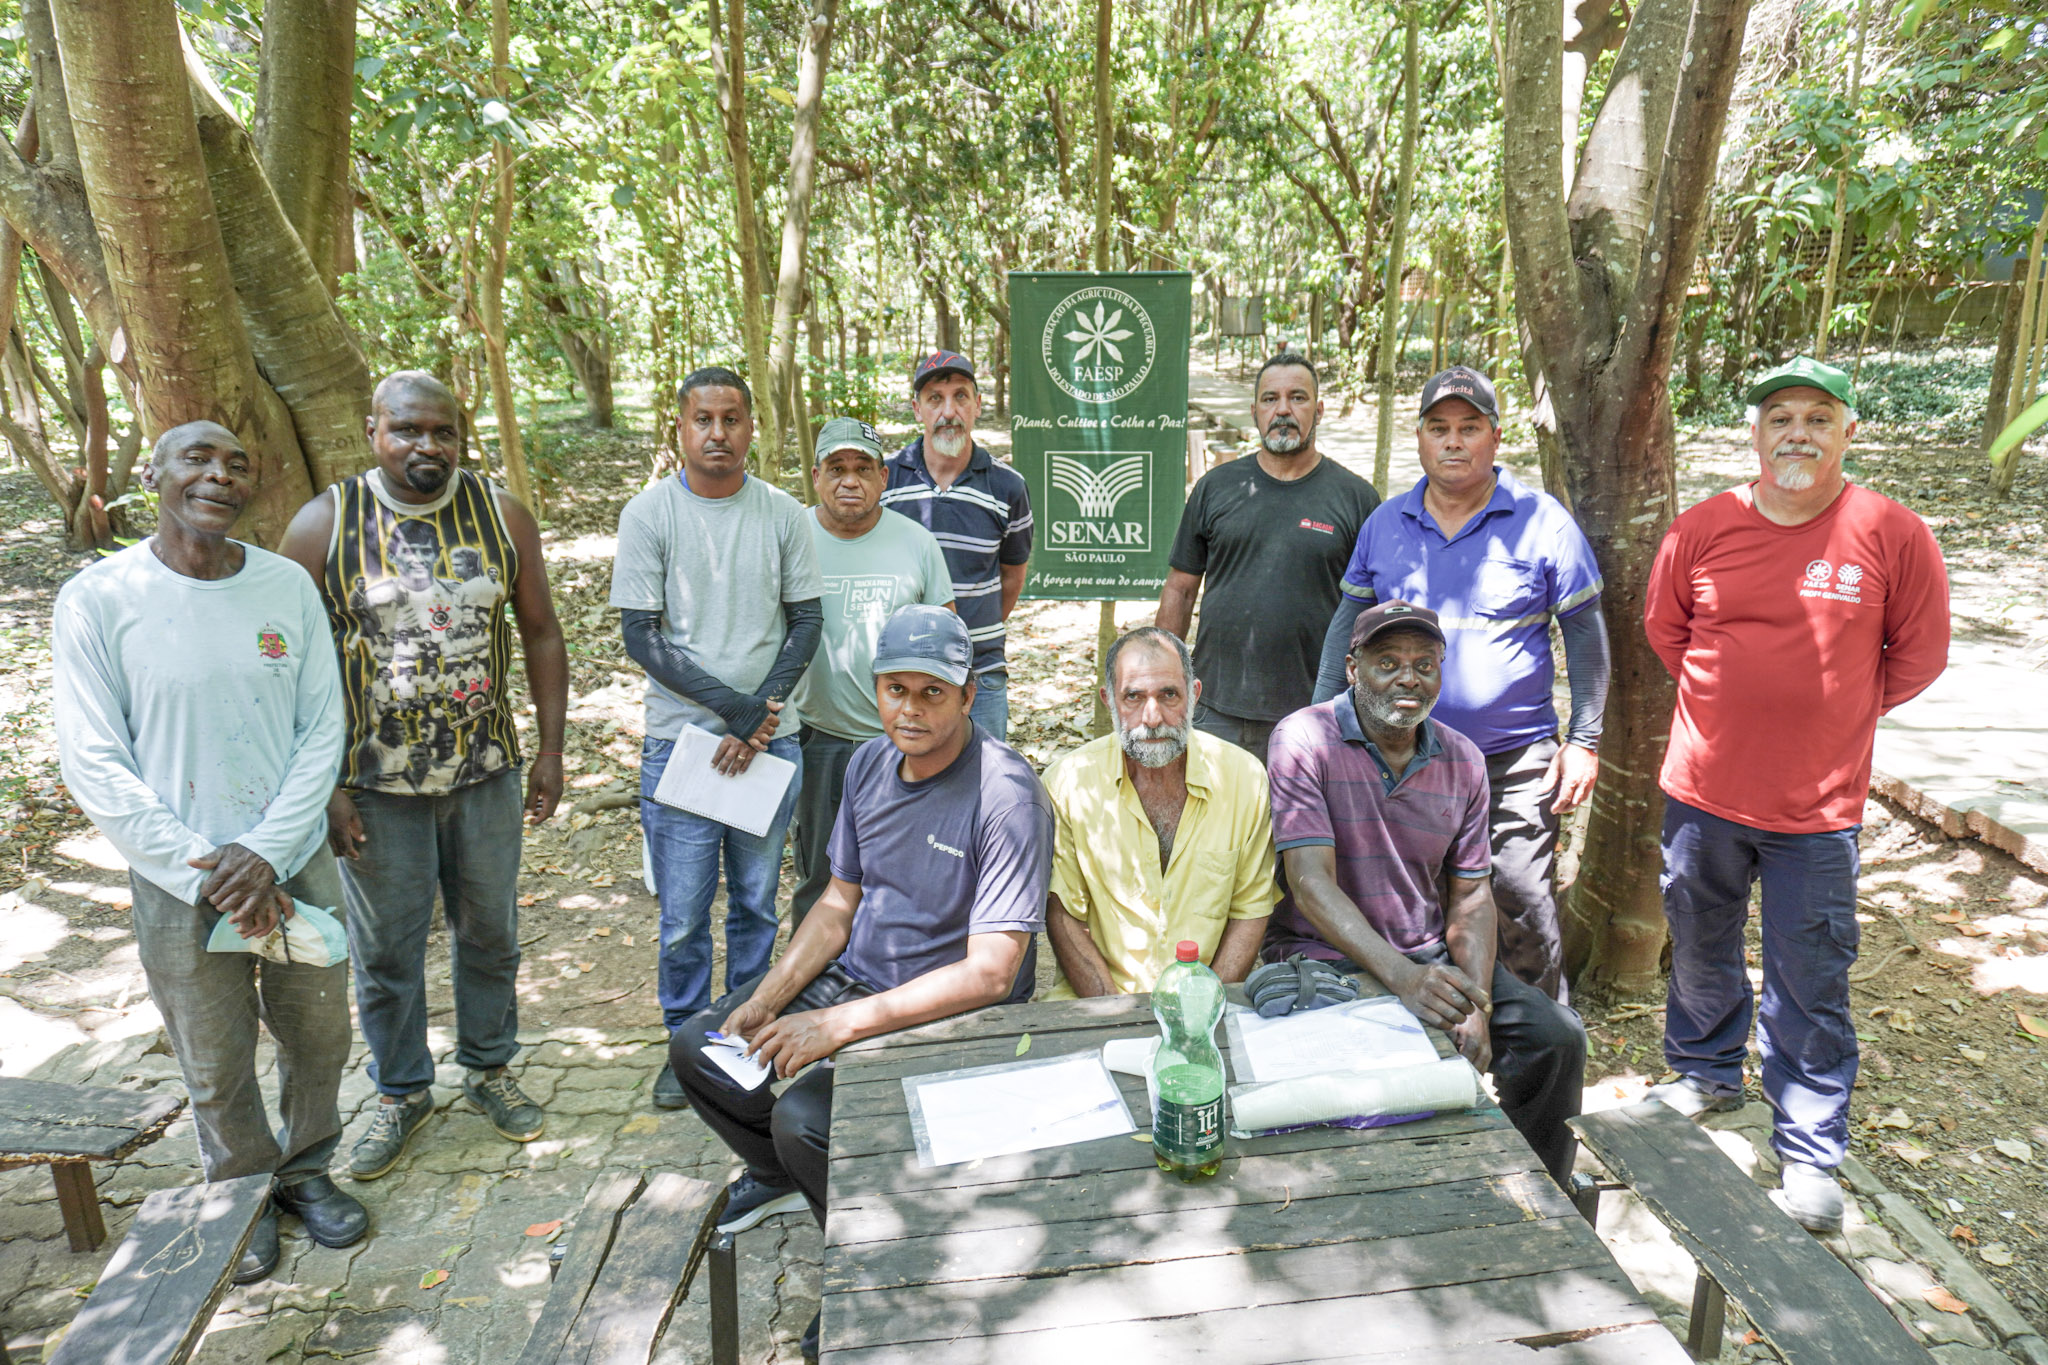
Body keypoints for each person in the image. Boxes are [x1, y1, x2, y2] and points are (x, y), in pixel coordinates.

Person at [670, 605, 1052, 1361]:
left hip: (949, 1008)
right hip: (857, 977)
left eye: (931, 692)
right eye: (895, 689)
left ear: (968, 694)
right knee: (700, 1051)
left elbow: (993, 970)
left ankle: (874, 1263)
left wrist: (835, 1028)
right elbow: (839, 902)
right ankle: (800, 1186)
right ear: (875, 690)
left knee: (807, 1118)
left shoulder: (1006, 792)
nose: (910, 709)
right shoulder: (868, 764)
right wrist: (770, 997)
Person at [53, 422, 367, 1285]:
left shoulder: (282, 587)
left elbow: (320, 729)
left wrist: (263, 853)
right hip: (175, 874)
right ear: (153, 473)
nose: (218, 476)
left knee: (318, 1033)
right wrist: (207, 863)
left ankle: (306, 1170)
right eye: (196, 459)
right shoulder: (99, 598)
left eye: (235, 464)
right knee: (214, 1050)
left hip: (293, 857)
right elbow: (94, 759)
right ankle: (241, 1193)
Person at [1644, 356, 1949, 1233]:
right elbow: (1669, 629)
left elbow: (1918, 654)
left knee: (1810, 974)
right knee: (1699, 944)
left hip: (1817, 810)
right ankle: (1704, 1073)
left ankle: (1810, 1149)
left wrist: (1838, 708)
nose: (1799, 433)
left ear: (1849, 432)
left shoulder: (1891, 533)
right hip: (1702, 790)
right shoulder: (1703, 527)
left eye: (1820, 417)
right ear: (1755, 431)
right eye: (1781, 416)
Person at [279, 371, 569, 1180]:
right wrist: (326, 785)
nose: (426, 447)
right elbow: (289, 662)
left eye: (442, 432)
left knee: (490, 932)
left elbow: (541, 631)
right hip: (375, 783)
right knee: (388, 949)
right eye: (407, 430)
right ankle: (402, 1090)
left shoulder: (500, 513)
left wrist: (549, 749)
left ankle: (488, 1067)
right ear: (375, 430)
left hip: (484, 773)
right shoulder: (325, 523)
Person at [1264, 600, 1586, 1185]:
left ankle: (1536, 1194)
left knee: (1555, 1037)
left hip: (1426, 953)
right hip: (1325, 957)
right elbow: (1309, 885)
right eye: (1388, 662)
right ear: (1353, 668)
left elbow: (1471, 897)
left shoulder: (1462, 758)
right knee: (1380, 1075)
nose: (1408, 677)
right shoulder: (1304, 737)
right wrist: (1403, 978)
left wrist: (1478, 1006)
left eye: (1425, 663)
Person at [1311, 367, 1607, 1002]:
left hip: (1514, 759)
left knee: (1521, 899)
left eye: (1468, 428)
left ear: (1495, 438)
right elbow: (1347, 624)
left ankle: (1538, 1046)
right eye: (1439, 428)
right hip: (1401, 756)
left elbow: (1585, 631)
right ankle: (1449, 1035)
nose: (1453, 442)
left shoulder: (1542, 522)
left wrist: (1585, 737)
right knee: (1414, 898)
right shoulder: (1386, 523)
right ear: (1420, 438)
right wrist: (1321, 723)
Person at [610, 367, 824, 1108]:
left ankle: (742, 1033)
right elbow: (642, 636)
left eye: (732, 419)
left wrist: (760, 714)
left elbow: (807, 621)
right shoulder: (649, 515)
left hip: (771, 743)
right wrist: (736, 711)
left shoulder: (782, 513)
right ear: (680, 427)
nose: (717, 434)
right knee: (682, 914)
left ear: (751, 427)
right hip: (683, 748)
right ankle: (684, 1040)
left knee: (759, 904)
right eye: (703, 419)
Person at [1157, 352, 1379, 767]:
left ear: (1319, 410)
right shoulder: (1216, 488)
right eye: (1269, 399)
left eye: (1298, 398)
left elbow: (1372, 611)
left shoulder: (1356, 499)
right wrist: (1162, 679)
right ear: (1255, 410)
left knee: (1300, 832)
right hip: (1216, 707)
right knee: (1215, 829)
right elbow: (1180, 589)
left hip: (1315, 714)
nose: (1283, 410)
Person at [1042, 626, 1276, 997]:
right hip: (1100, 1000)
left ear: (1194, 695)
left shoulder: (1243, 778)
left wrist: (1200, 1011)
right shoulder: (1068, 783)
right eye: (1133, 697)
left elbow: (1250, 910)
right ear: (1109, 701)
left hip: (1204, 1002)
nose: (1152, 718)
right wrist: (1112, 1014)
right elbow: (1062, 913)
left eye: (1169, 695)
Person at [788, 416, 955, 926]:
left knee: (909, 871)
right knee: (821, 874)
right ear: (816, 476)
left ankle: (895, 984)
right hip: (821, 738)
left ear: (884, 477)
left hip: (903, 741)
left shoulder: (916, 542)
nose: (849, 480)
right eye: (836, 468)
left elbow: (946, 637)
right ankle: (810, 987)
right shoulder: (790, 535)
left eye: (863, 467)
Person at [880, 350, 1032, 740]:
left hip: (979, 675)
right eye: (935, 398)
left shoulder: (1007, 486)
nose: (949, 411)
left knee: (984, 787)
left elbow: (1012, 576)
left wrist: (970, 635)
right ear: (918, 410)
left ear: (977, 405)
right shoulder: (884, 481)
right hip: (900, 676)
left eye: (961, 396)